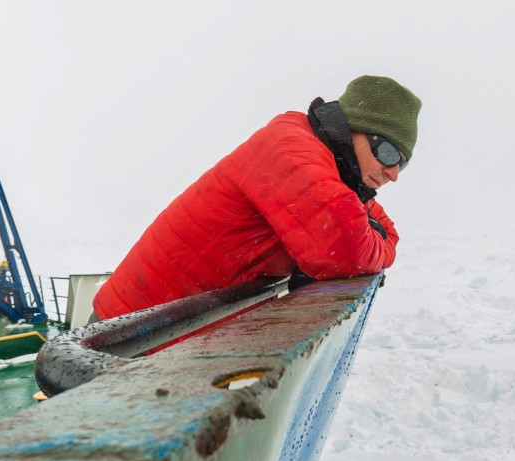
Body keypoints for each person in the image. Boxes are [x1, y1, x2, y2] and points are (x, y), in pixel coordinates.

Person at [91, 75, 422, 321]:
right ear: (354, 129)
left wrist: (372, 235)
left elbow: (386, 230)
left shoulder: (328, 169)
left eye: (402, 164)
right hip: (126, 334)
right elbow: (347, 251)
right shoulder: (294, 154)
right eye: (388, 153)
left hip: (167, 328)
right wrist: (370, 236)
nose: (392, 173)